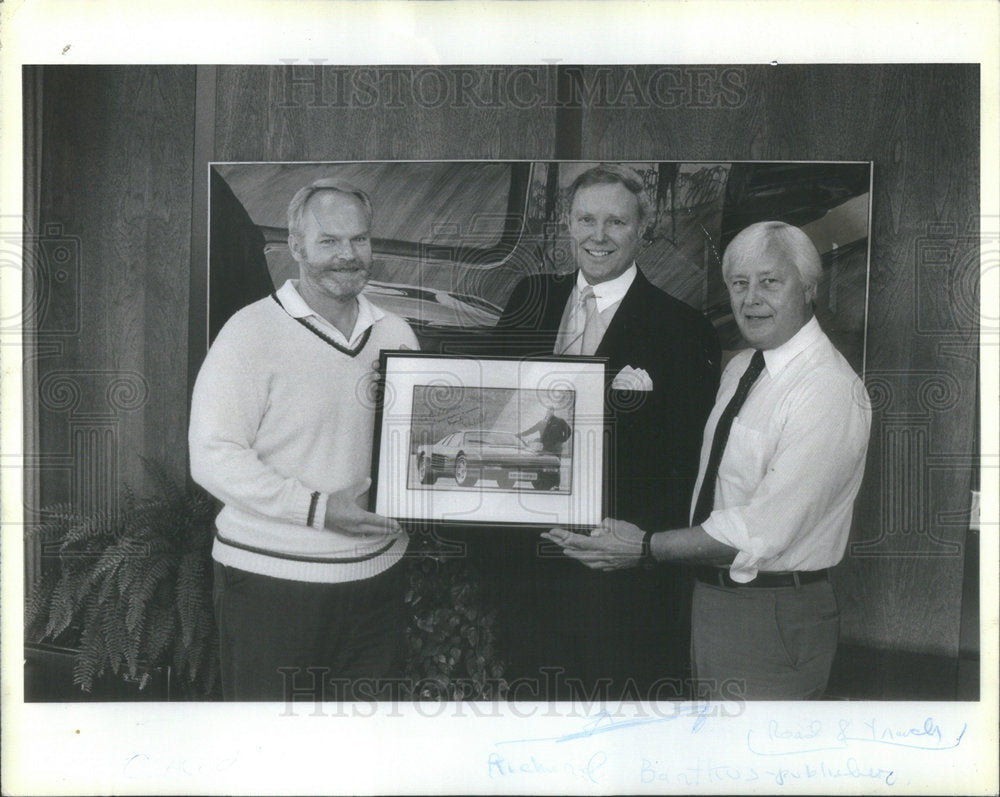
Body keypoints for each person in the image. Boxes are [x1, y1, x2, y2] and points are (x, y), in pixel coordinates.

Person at [543, 220, 872, 700]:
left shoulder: (827, 389)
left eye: (769, 282)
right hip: (710, 601)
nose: (750, 298)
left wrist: (644, 547)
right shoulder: (742, 366)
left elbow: (759, 531)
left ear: (808, 289)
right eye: (739, 284)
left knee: (753, 768)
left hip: (773, 609)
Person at [491, 164, 721, 699]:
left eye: (616, 222)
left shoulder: (683, 329)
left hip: (617, 582)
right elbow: (494, 413)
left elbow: (687, 465)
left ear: (643, 229)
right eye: (586, 219)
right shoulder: (529, 298)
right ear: (567, 225)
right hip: (526, 571)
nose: (599, 235)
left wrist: (636, 548)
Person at [189, 178, 419, 701]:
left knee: (360, 760)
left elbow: (413, 445)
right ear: (295, 247)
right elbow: (211, 456)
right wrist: (317, 510)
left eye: (359, 240)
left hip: (377, 577)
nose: (348, 255)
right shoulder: (249, 333)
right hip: (274, 584)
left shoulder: (397, 333)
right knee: (272, 762)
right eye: (329, 241)